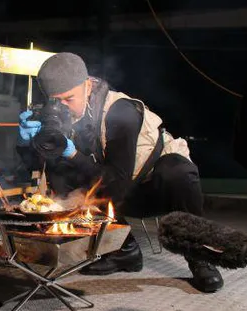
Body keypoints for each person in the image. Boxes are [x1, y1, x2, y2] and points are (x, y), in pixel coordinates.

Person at [16, 52, 223, 293]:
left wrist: (71, 153)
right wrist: (26, 143)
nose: (63, 107)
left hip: (152, 187)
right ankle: (125, 251)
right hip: (116, 194)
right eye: (55, 101)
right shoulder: (57, 117)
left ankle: (200, 256)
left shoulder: (120, 111)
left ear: (87, 84)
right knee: (63, 175)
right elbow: (38, 169)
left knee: (176, 170)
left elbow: (117, 183)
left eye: (69, 99)